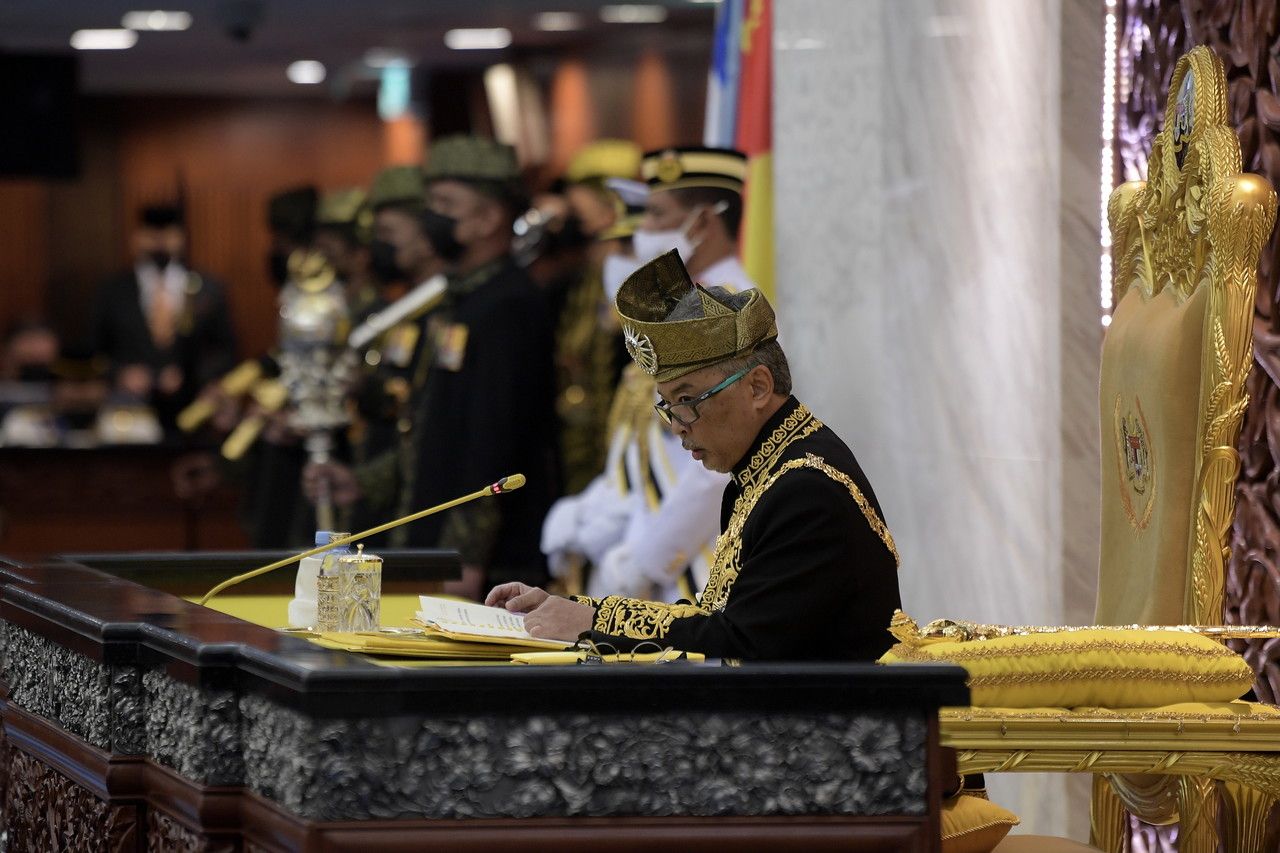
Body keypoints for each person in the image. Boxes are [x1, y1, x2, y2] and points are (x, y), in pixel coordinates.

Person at [488, 250, 903, 661]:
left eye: (687, 400)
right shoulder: (766, 470)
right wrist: (577, 610)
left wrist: (593, 623)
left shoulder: (806, 488)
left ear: (758, 387)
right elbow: (721, 620)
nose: (677, 426)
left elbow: (740, 640)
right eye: (668, 405)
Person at [541, 148, 757, 603]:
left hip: (699, 570)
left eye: (656, 215)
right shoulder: (678, 309)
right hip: (654, 560)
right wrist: (589, 518)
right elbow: (642, 449)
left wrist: (647, 560)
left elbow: (719, 466)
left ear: (703, 222)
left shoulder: (730, 313)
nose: (642, 233)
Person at [91, 204, 237, 434]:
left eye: (167, 234)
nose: (159, 242)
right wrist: (121, 373)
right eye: (151, 234)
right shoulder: (113, 290)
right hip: (130, 412)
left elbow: (225, 349)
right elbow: (95, 350)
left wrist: (189, 376)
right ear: (137, 238)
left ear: (181, 237)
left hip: (192, 409)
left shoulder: (208, 288)